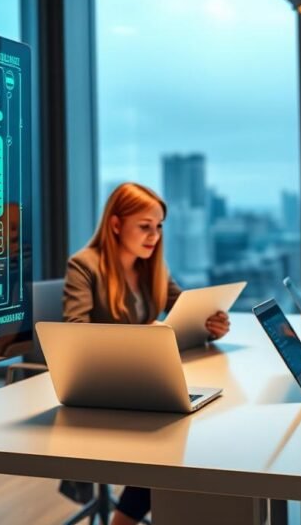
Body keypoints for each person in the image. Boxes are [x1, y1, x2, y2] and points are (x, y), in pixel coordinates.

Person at [63, 182, 231, 525]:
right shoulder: (85, 266)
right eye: (144, 226)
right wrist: (144, 335)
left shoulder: (151, 266)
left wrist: (211, 321)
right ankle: (124, 520)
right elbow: (74, 337)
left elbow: (184, 308)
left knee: (198, 419)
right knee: (178, 431)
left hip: (140, 382)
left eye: (158, 227)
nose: (154, 236)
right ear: (115, 224)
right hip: (102, 389)